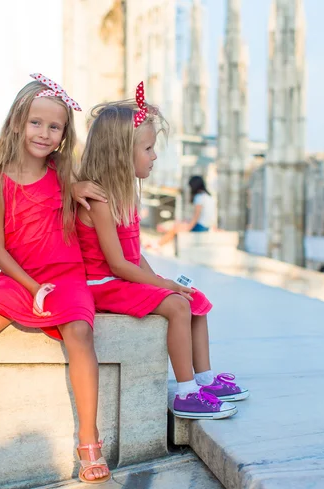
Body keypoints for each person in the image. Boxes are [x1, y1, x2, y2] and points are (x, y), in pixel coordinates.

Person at [0, 74, 110, 484]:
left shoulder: (64, 174)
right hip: (19, 279)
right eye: (36, 123)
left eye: (55, 127)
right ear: (17, 122)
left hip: (66, 278)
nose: (45, 133)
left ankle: (89, 437)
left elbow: (102, 197)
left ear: (64, 135)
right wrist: (32, 287)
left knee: (80, 333)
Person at [75, 82, 249, 420]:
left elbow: (133, 253)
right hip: (102, 285)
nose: (154, 156)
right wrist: (164, 287)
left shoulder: (125, 193)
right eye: (149, 148)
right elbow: (117, 263)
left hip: (120, 278)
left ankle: (205, 378)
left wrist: (158, 278)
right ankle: (185, 392)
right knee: (177, 306)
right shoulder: (99, 199)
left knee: (195, 299)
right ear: (120, 153)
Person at [157, 175, 216, 247]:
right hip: (206, 227)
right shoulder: (209, 197)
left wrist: (189, 227)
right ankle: (159, 244)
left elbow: (197, 215)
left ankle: (158, 245)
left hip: (200, 227)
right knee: (179, 225)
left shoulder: (199, 197)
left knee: (174, 229)